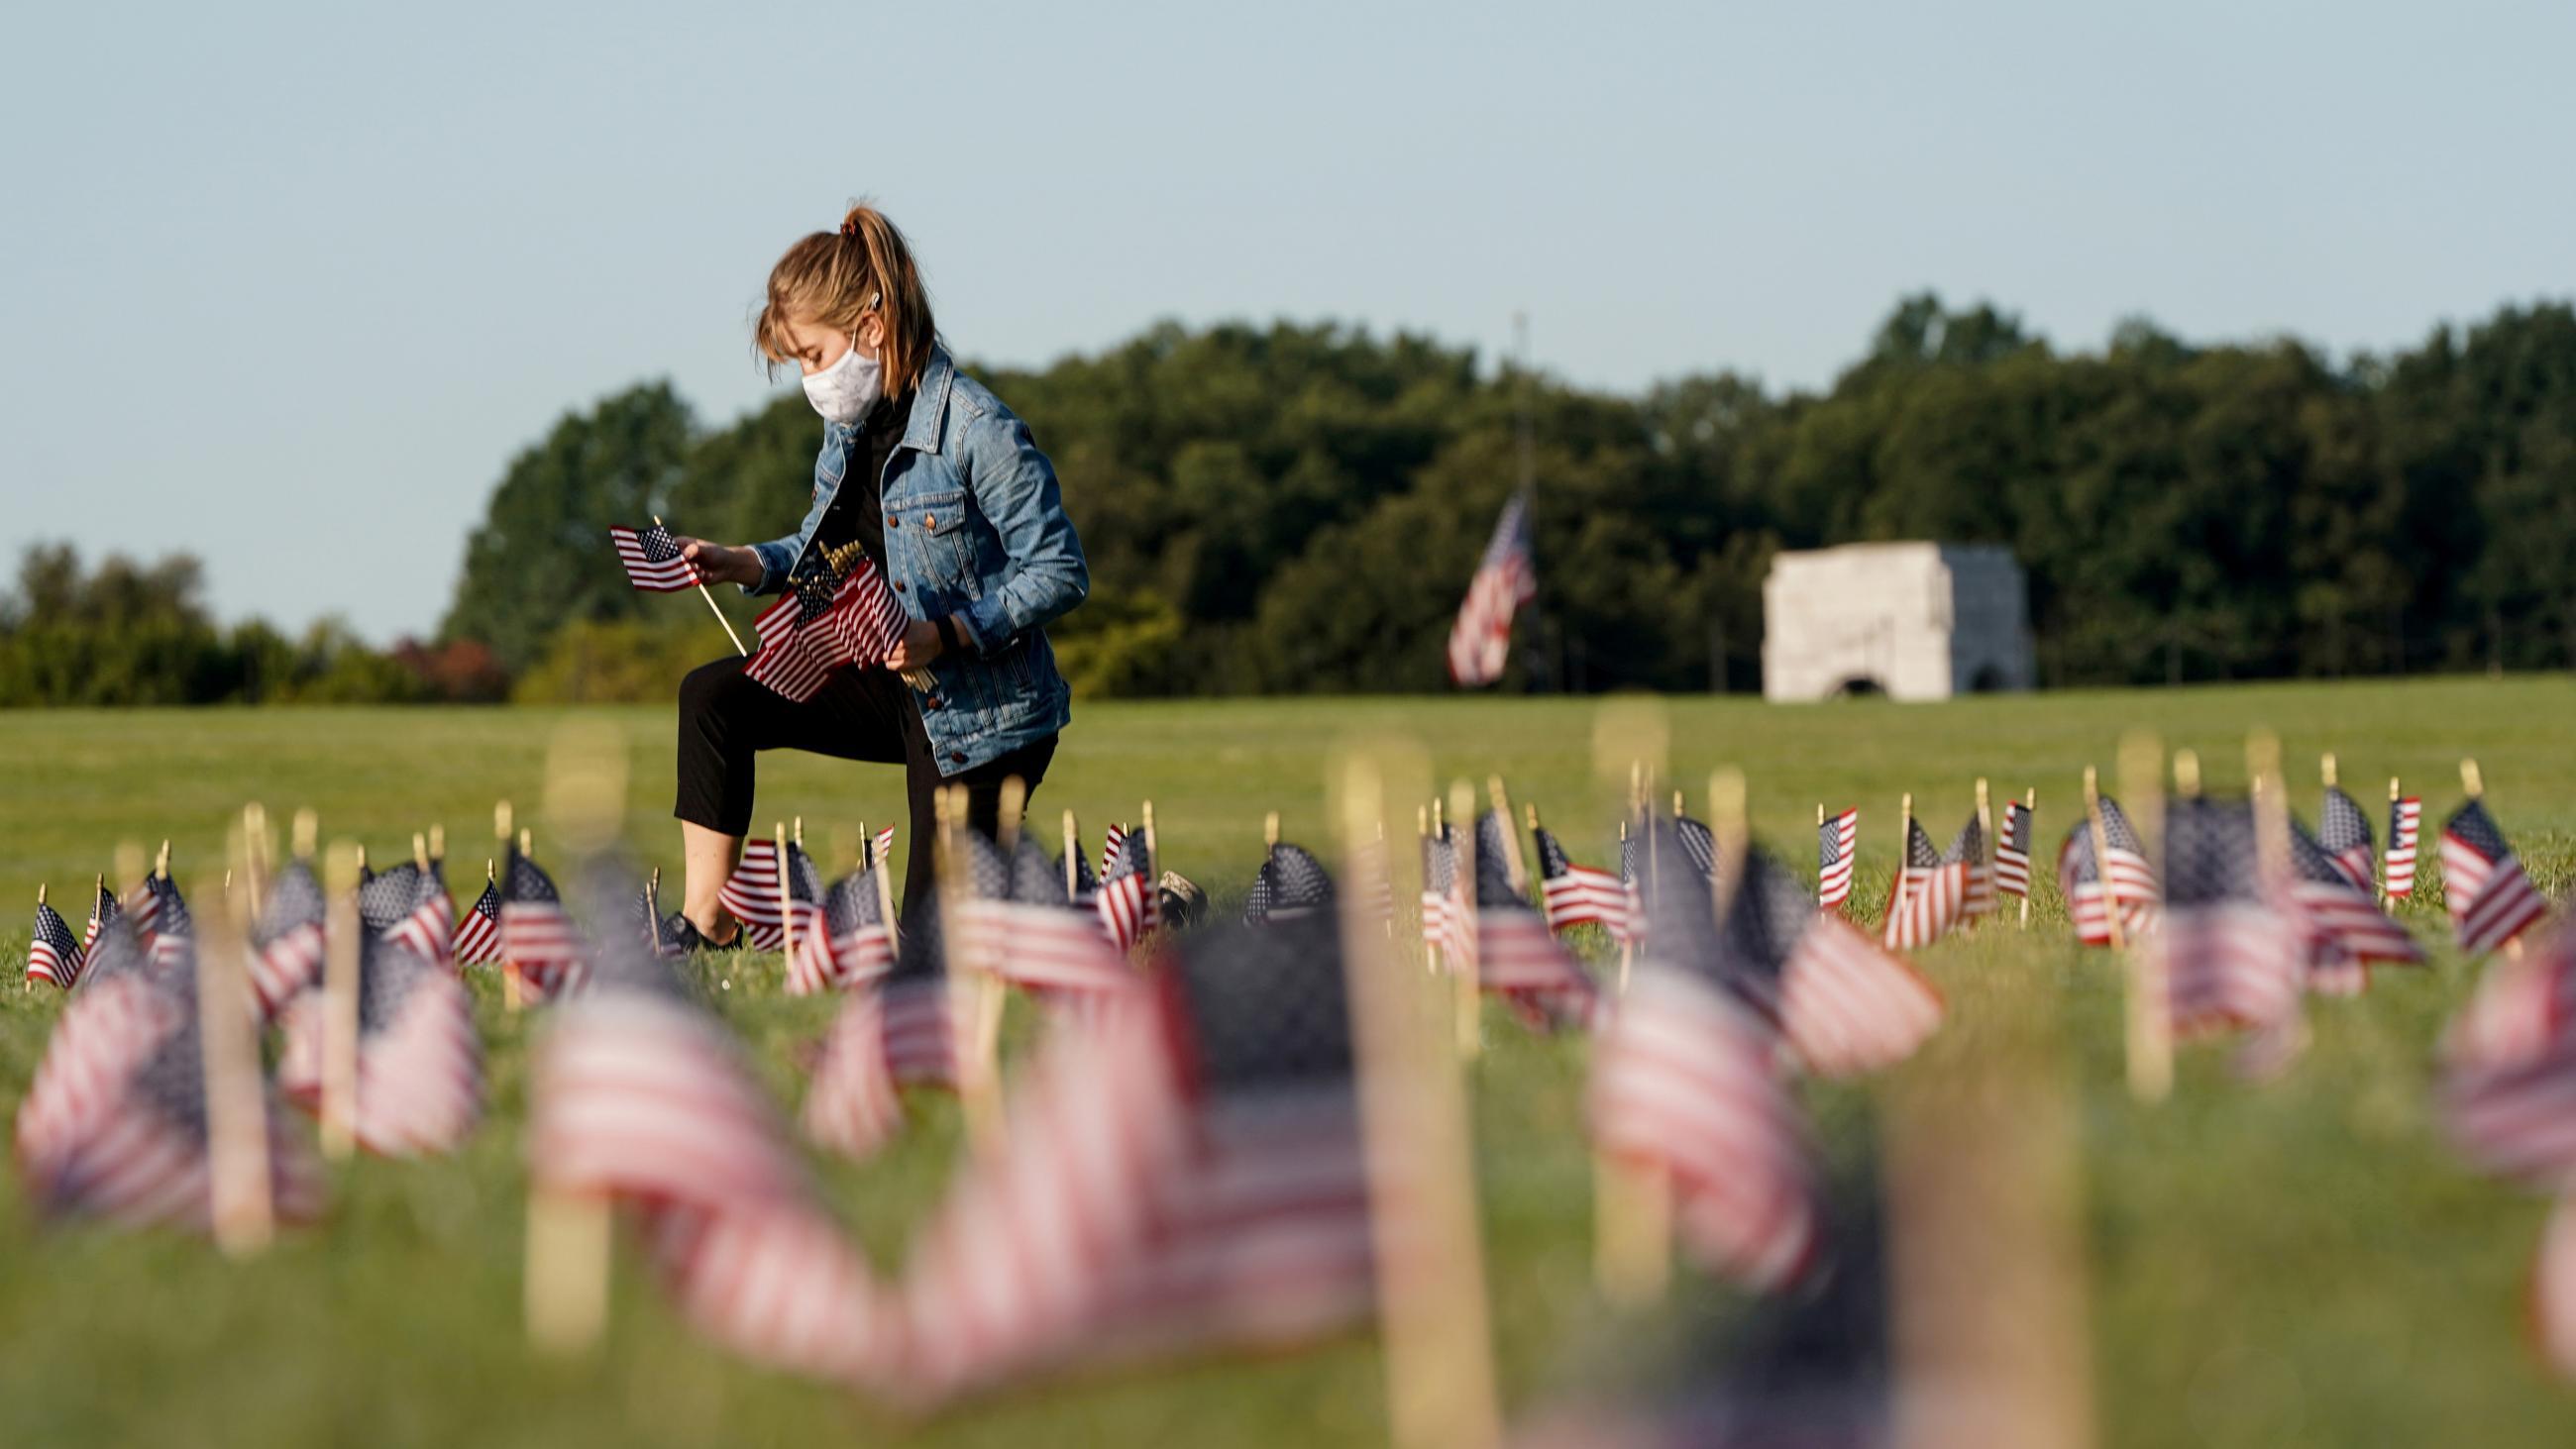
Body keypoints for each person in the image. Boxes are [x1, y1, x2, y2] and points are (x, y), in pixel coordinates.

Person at [662, 204, 1086, 946]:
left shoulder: (977, 427)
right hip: (890, 685)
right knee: (712, 697)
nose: (809, 379)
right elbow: (827, 548)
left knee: (932, 947)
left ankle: (1123, 916)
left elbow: (1059, 570)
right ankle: (705, 924)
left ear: (873, 326)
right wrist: (747, 562)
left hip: (982, 717)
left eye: (813, 355)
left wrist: (947, 632)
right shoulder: (849, 428)